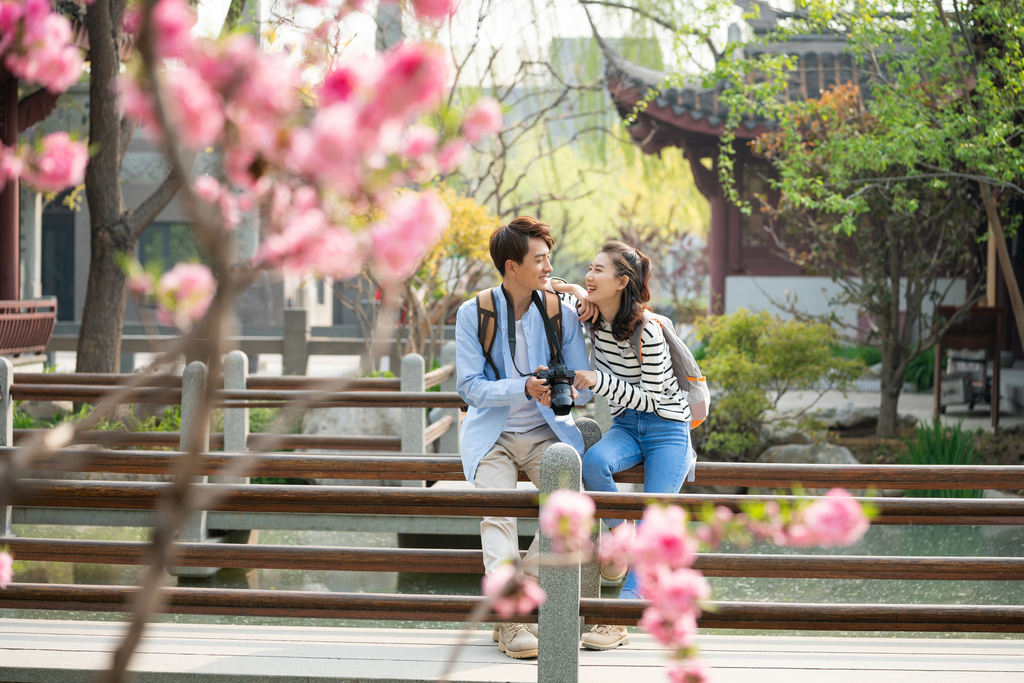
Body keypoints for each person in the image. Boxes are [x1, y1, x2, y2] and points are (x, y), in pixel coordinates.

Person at [455, 216, 593, 660]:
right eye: (540, 259)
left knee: (573, 513)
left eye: (549, 257)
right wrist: (521, 387)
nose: (549, 266)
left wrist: (562, 386)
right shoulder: (473, 312)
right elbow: (469, 386)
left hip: (544, 432)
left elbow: (576, 379)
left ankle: (516, 595)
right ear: (512, 266)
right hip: (491, 433)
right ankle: (513, 623)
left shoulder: (560, 311)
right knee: (497, 516)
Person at [549, 240, 697, 652]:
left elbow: (654, 398)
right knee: (593, 464)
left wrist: (598, 381)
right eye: (589, 268)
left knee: (656, 515)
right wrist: (573, 291)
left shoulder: (648, 329)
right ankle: (623, 542)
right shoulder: (594, 317)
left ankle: (620, 617)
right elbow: (569, 292)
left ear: (622, 281)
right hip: (627, 425)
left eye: (598, 270)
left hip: (667, 426)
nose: (589, 276)